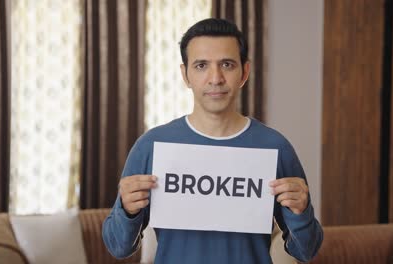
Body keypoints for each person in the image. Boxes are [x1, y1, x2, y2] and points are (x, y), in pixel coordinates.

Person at [102, 18, 323, 264]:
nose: (215, 78)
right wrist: (127, 209)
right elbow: (118, 247)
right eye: (201, 66)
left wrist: (301, 213)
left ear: (244, 72)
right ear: (185, 74)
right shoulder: (152, 145)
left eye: (227, 64)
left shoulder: (275, 147)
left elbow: (306, 251)